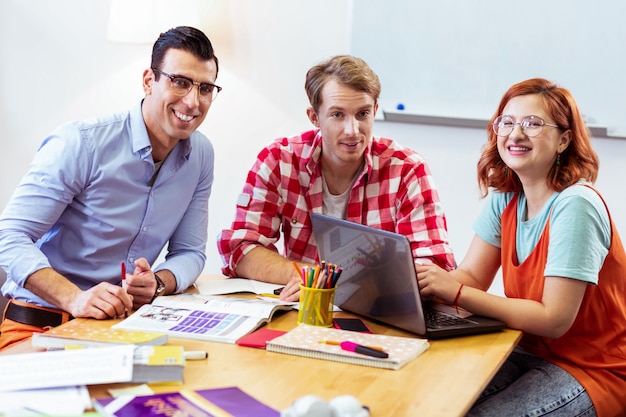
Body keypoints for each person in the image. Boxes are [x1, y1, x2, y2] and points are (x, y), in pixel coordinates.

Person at [0, 26, 220, 350]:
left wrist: (158, 283)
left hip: (121, 328)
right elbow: (9, 236)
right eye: (180, 82)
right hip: (41, 324)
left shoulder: (201, 155)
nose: (193, 101)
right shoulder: (81, 143)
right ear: (149, 81)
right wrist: (75, 299)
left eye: (205, 88)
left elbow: (189, 253)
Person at [417, 78, 626, 416]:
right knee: (439, 398)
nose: (515, 134)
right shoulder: (506, 197)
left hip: (594, 368)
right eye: (507, 122)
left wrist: (454, 293)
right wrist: (424, 283)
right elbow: (472, 275)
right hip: (525, 349)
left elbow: (553, 319)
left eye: (533, 124)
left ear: (564, 140)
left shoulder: (577, 205)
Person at [218, 55, 455, 302]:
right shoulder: (279, 160)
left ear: (375, 110)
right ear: (314, 117)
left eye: (362, 114)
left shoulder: (407, 169)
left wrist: (339, 284)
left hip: (381, 314)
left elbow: (434, 270)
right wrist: (311, 275)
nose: (352, 130)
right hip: (304, 310)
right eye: (337, 115)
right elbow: (240, 249)